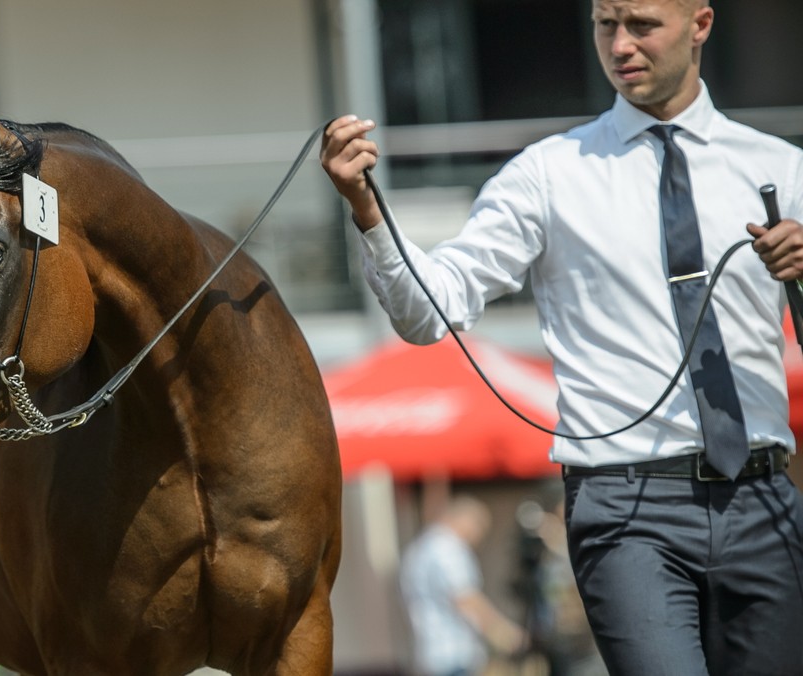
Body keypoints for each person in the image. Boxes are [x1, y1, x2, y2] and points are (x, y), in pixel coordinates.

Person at [321, 0, 803, 673]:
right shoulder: (546, 174)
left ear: (700, 23)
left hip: (764, 498)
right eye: (606, 25)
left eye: (642, 24)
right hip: (626, 504)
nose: (621, 44)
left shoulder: (783, 167)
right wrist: (367, 211)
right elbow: (429, 313)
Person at [399, 495, 526, 676]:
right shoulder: (448, 549)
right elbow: (466, 599)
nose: (479, 537)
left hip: (429, 651)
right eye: (480, 527)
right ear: (466, 521)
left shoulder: (419, 547)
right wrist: (506, 634)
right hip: (453, 653)